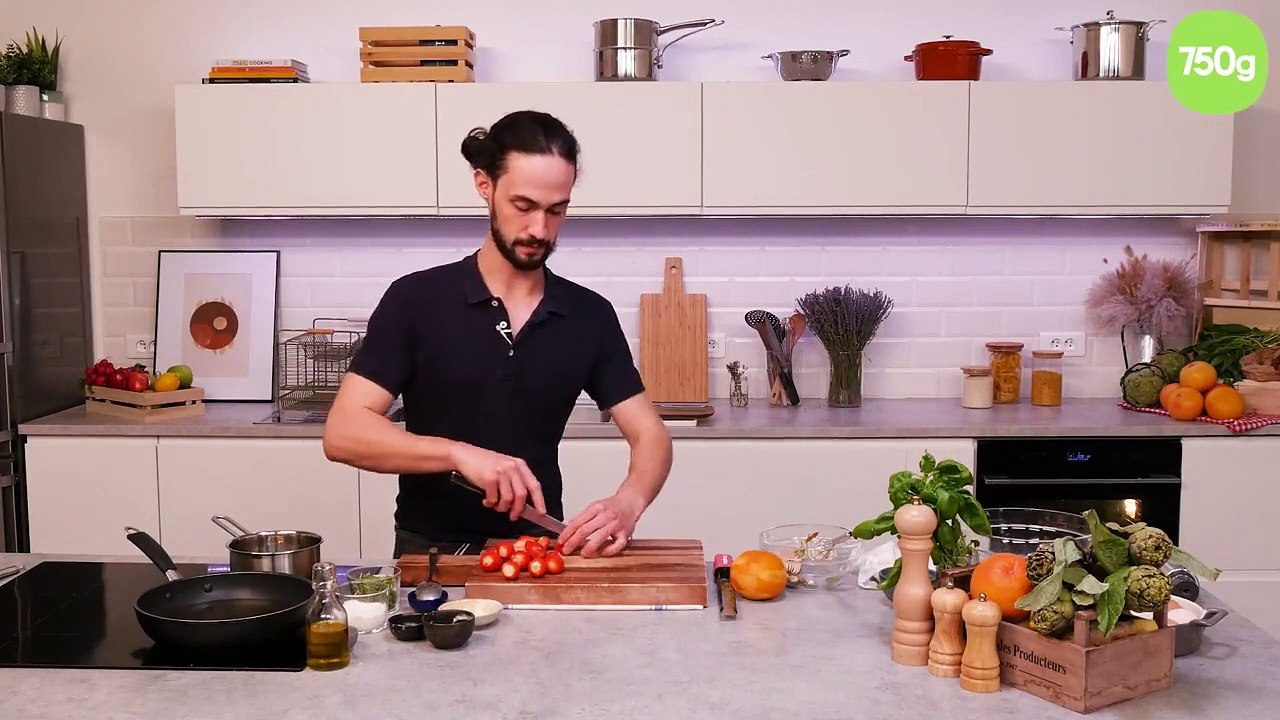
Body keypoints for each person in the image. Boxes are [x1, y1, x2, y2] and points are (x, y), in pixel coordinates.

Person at [322, 110, 673, 559]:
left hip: (539, 552)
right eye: (523, 207)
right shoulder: (415, 299)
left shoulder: (589, 315)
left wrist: (628, 502)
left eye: (556, 211)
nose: (539, 230)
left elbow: (651, 435)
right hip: (429, 556)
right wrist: (459, 454)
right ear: (484, 185)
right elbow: (343, 432)